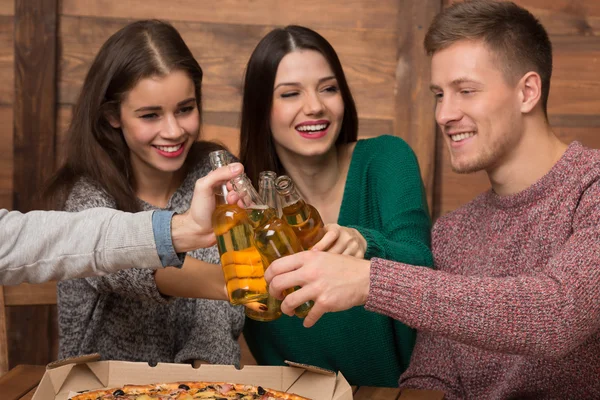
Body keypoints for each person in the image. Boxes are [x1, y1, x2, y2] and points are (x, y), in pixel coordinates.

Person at [265, 1, 600, 398]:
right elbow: (431, 379)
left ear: (527, 92)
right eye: (439, 94)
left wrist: (370, 281)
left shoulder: (590, 188)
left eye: (465, 91)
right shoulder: (454, 232)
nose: (443, 114)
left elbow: (555, 314)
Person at [238, 25, 433, 387]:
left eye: (329, 88)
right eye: (290, 94)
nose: (315, 106)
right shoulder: (241, 203)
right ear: (260, 107)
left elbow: (426, 269)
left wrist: (367, 245)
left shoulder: (387, 159)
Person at [44, 20, 243, 366]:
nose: (173, 130)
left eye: (185, 108)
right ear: (112, 116)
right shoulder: (87, 195)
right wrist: (234, 281)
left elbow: (220, 315)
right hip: (103, 386)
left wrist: (203, 376)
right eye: (150, 115)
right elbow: (128, 266)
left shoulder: (214, 174)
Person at [0, 163, 243, 285]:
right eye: (150, 115)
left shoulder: (209, 176)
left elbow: (27, 239)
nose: (172, 130)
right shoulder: (87, 189)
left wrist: (183, 229)